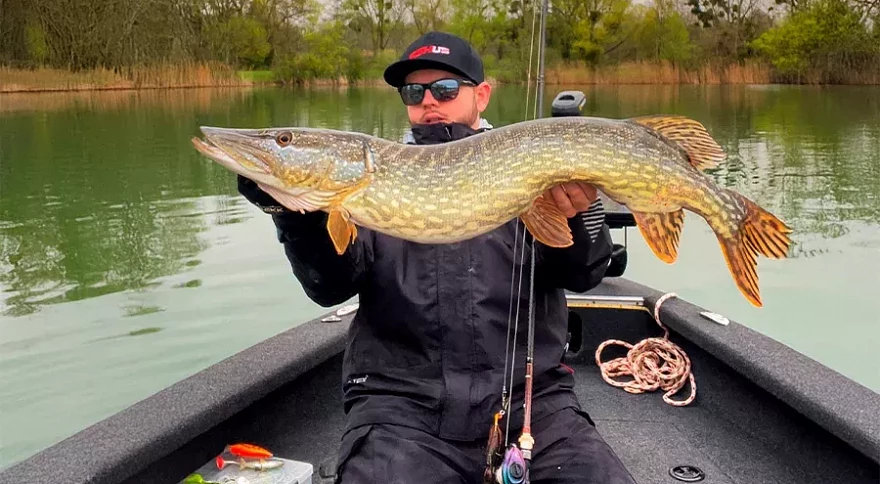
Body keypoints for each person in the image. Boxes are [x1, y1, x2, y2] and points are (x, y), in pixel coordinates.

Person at [238, 31, 635, 484]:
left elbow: (584, 274)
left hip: (533, 403)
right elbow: (328, 287)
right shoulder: (365, 185)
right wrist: (294, 216)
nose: (429, 101)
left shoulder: (526, 164)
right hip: (402, 410)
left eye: (445, 89)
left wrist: (581, 212)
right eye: (414, 91)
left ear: (481, 95)